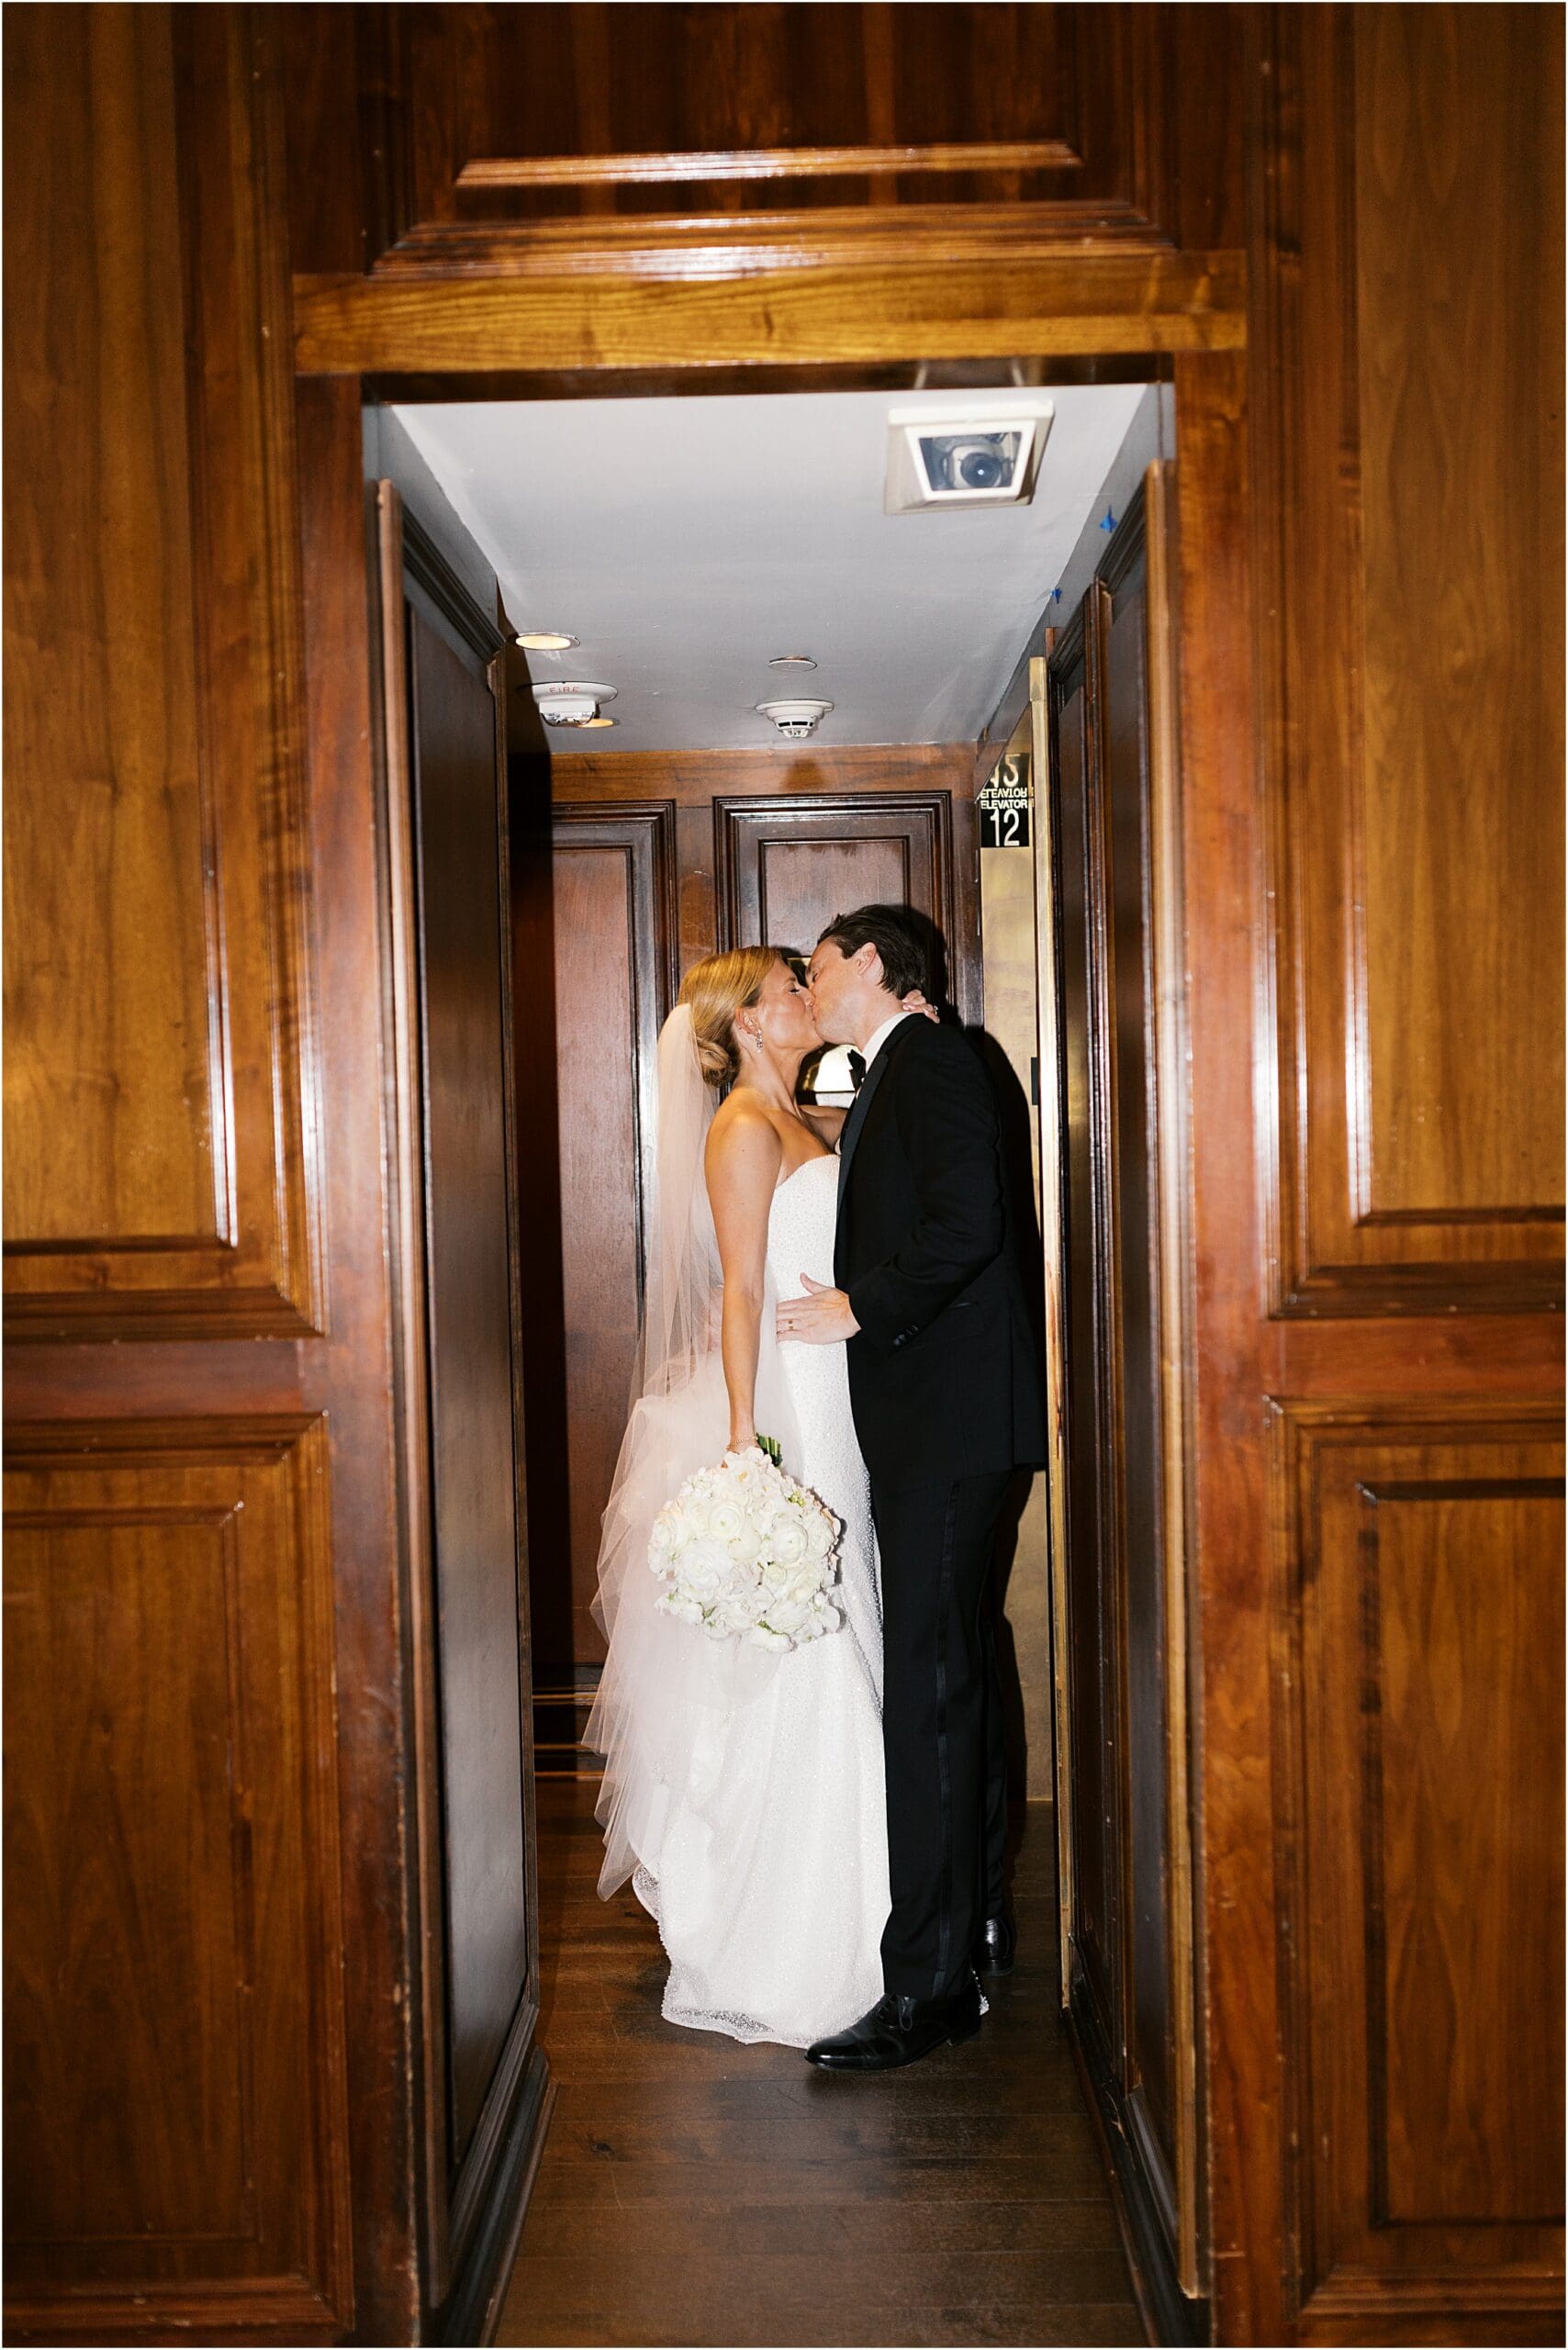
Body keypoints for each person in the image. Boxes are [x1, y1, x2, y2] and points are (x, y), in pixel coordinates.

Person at [584, 946, 899, 2047]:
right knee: (815, 1644)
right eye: (787, 990)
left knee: (850, 1612)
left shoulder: (804, 1115)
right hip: (789, 1401)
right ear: (749, 1024)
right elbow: (740, 1289)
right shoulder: (742, 1129)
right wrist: (742, 1438)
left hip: (837, 1389)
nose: (807, 997)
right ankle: (802, 1936)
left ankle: (871, 1917)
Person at [779, 904, 1047, 2072]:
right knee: (958, 1669)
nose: (810, 982)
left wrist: (860, 1306)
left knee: (930, 1693)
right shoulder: (914, 1062)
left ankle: (926, 1990)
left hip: (944, 1426)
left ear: (876, 966)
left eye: (820, 964)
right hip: (952, 1425)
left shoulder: (928, 1058)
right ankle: (976, 1925)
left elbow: (967, 1223)